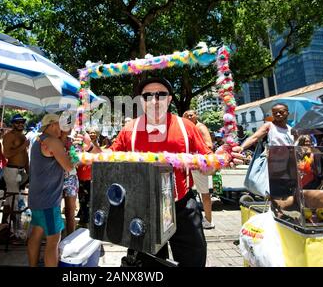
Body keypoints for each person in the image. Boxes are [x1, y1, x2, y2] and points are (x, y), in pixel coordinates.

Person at [79, 77, 244, 267]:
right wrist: (91, 148)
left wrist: (222, 158)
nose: (154, 100)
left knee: (193, 261)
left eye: (161, 95)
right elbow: (108, 159)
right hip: (141, 209)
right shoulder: (129, 129)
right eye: (148, 95)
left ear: (169, 99)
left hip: (182, 206)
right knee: (144, 265)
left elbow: (208, 166)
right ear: (141, 101)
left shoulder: (186, 127)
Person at [27, 113, 77, 267]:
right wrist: (78, 159)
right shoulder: (53, 141)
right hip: (48, 200)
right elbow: (69, 167)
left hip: (36, 197)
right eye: (61, 126)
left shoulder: (38, 139)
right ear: (53, 124)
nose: (62, 130)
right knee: (53, 240)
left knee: (35, 235)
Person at [183, 109, 215, 229]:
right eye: (187, 115)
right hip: (188, 163)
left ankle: (208, 220)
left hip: (198, 164)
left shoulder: (200, 127)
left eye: (192, 114)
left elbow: (209, 145)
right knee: (187, 191)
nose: (190, 116)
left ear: (196, 116)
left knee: (204, 192)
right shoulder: (187, 128)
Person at [2, 114, 29, 235]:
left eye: (22, 122)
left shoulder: (22, 136)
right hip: (12, 171)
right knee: (14, 201)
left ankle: (6, 226)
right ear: (12, 123)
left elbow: (25, 155)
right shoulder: (9, 136)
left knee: (12, 200)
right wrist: (23, 146)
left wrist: (29, 172)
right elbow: (7, 154)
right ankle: (14, 230)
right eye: (17, 122)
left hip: (20, 171)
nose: (20, 124)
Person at [76, 125, 100, 227]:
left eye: (94, 132)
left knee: (92, 199)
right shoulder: (81, 146)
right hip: (82, 176)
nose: (92, 134)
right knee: (83, 199)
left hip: (93, 177)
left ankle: (90, 221)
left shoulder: (98, 147)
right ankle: (84, 221)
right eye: (90, 132)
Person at [60, 129, 79, 235]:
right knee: (55, 210)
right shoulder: (54, 141)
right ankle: (57, 237)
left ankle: (70, 237)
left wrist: (73, 157)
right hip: (56, 178)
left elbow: (77, 162)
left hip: (71, 178)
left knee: (70, 211)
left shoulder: (72, 142)